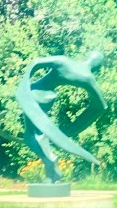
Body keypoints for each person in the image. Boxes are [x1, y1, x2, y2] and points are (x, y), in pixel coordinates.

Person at [16, 51, 107, 182]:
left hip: (36, 93)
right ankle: (52, 172)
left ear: (87, 56)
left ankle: (50, 162)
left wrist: (24, 86)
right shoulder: (88, 78)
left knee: (30, 137)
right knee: (37, 136)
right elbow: (101, 106)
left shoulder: (64, 61)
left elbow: (35, 63)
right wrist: (72, 129)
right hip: (47, 98)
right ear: (97, 67)